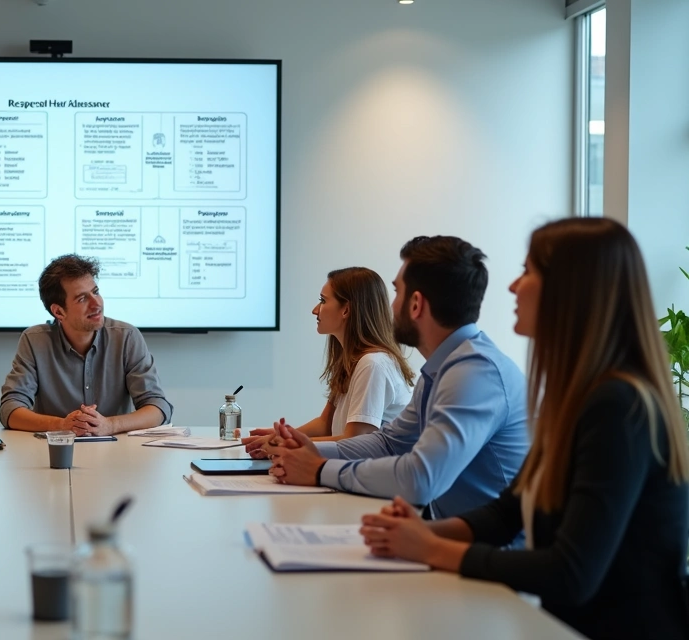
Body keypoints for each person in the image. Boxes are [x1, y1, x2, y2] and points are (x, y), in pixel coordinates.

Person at [359, 218, 689, 639]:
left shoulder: (618, 406)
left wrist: (431, 548)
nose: (513, 287)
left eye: (528, 271)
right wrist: (418, 532)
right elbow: (505, 513)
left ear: (571, 290)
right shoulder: (578, 395)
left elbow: (572, 571)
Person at [258, 236, 529, 519]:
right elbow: (388, 443)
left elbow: (420, 478)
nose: (390, 306)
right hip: (448, 532)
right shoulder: (441, 368)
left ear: (415, 304)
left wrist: (319, 469)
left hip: (486, 549)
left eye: (396, 293)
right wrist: (310, 450)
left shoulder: (475, 373)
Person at [0, 254, 173, 435]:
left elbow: (158, 408)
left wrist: (110, 425)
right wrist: (62, 425)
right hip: (54, 452)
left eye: (95, 292)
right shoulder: (35, 341)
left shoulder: (127, 337)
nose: (96, 303)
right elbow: (10, 409)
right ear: (58, 311)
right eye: (82, 298)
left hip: (116, 452)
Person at [243, 267, 413, 446]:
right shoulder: (354, 360)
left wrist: (287, 445)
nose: (315, 310)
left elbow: (355, 442)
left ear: (346, 310)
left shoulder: (373, 364)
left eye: (322, 301)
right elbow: (325, 424)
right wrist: (283, 436)